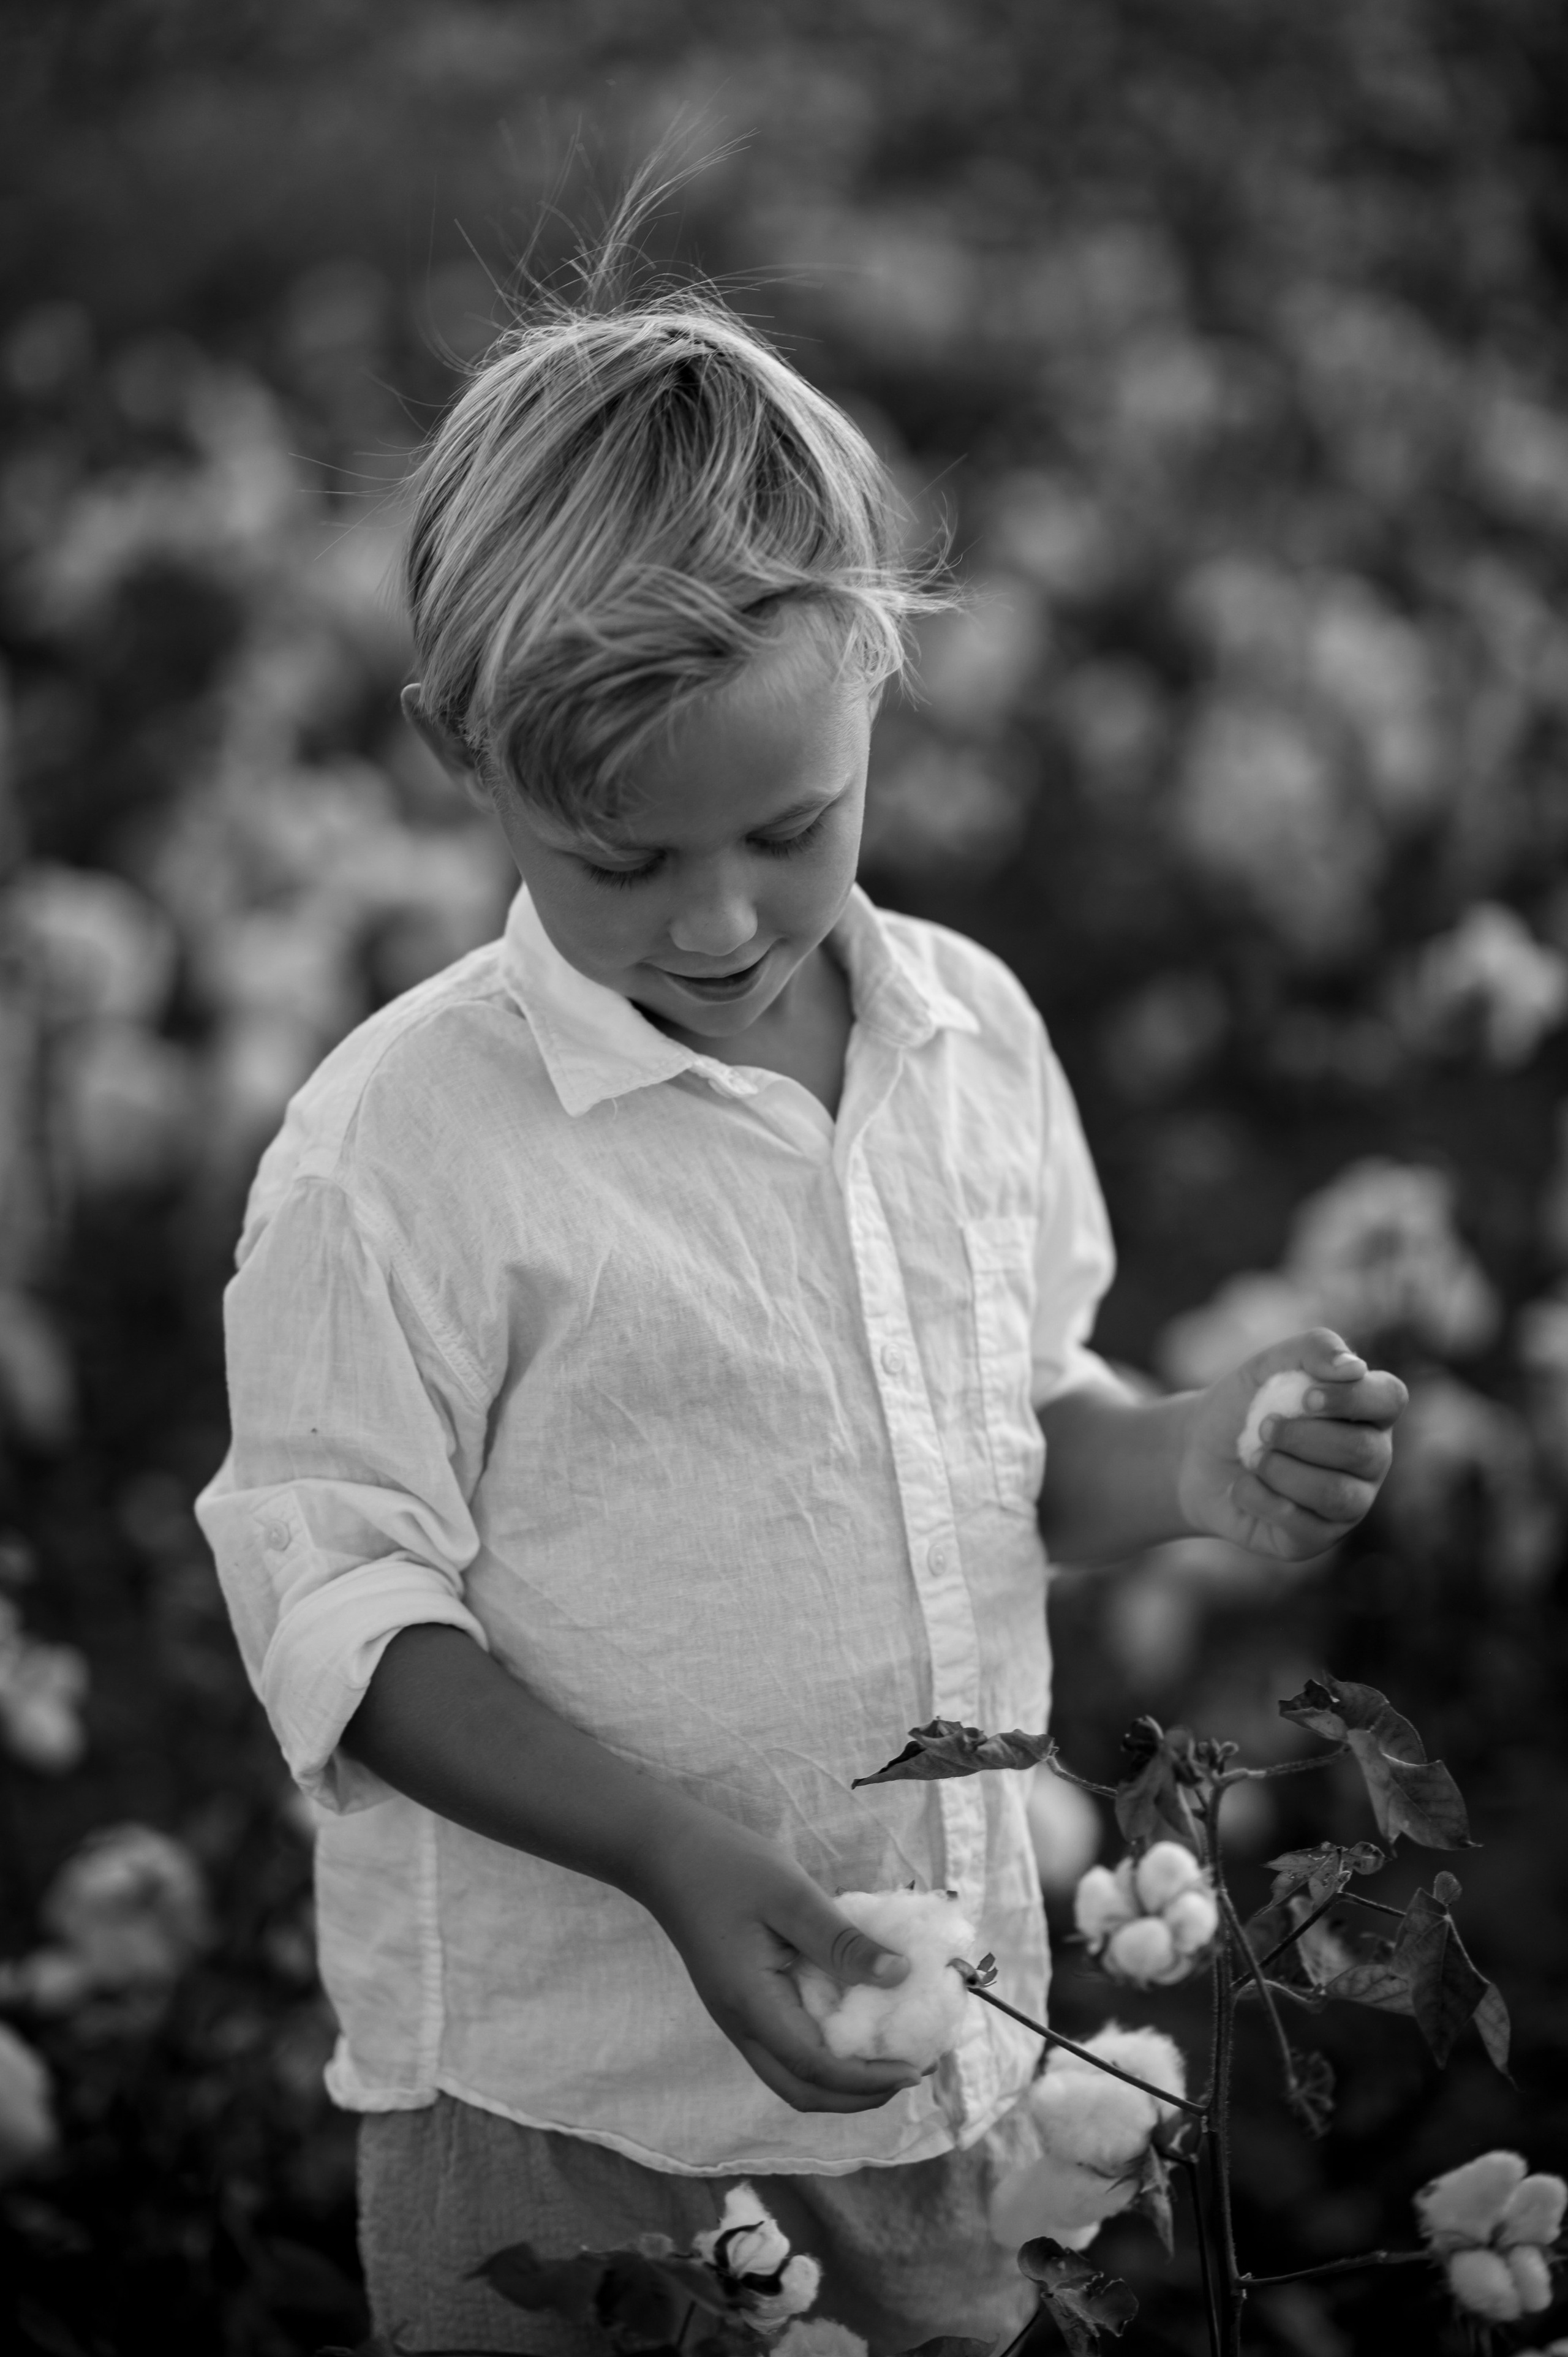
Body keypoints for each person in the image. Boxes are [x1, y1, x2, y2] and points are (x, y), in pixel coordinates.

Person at [195, 253, 1406, 2355]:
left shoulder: (970, 1041)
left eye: (790, 827)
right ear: (458, 755)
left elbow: (1006, 1444)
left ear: (876, 685)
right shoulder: (401, 1152)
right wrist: (664, 1854)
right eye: (622, 863)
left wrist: (1201, 1454)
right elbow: (340, 1616)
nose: (723, 920)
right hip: (568, 2114)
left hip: (938, 2061)